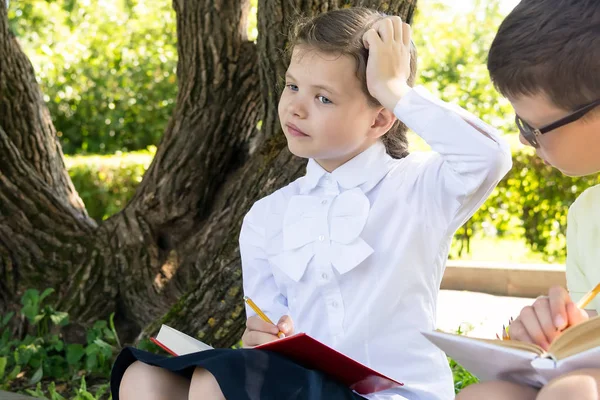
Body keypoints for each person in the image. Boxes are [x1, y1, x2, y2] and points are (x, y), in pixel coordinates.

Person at [110, 7, 511, 400]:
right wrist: (259, 337)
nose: (296, 107)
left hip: (398, 395)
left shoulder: (421, 188)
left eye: (324, 99)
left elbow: (490, 157)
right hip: (304, 386)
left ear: (379, 120)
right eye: (293, 86)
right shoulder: (267, 216)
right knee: (143, 380)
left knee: (216, 382)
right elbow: (264, 326)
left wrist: (396, 90)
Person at [456, 1, 600, 400]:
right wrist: (559, 331)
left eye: (532, 125)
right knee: (485, 396)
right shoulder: (588, 214)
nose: (523, 139)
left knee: (572, 392)